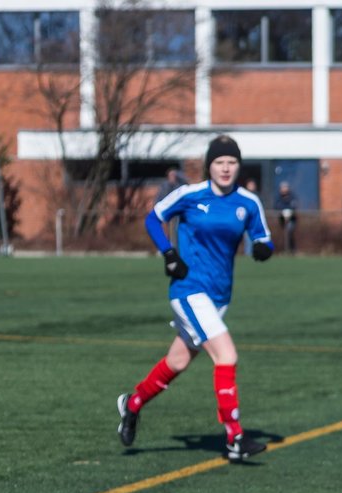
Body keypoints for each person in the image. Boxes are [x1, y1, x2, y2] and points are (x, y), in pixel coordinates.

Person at [117, 135, 273, 462]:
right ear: (209, 166)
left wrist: (262, 248)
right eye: (220, 162)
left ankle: (132, 405)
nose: (226, 168)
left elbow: (263, 236)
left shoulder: (248, 202)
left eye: (231, 162)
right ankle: (234, 438)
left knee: (177, 361)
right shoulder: (190, 195)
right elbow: (153, 218)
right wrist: (169, 253)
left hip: (219, 296)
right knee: (226, 355)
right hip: (188, 289)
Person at [275, 180, 298, 253]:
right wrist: (283, 212)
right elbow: (277, 206)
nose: (284, 189)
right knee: (282, 234)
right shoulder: (278, 197)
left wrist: (289, 212)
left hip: (291, 219)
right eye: (282, 187)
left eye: (285, 187)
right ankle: (283, 250)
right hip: (281, 219)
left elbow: (294, 205)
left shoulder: (292, 196)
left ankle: (291, 250)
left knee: (289, 232)